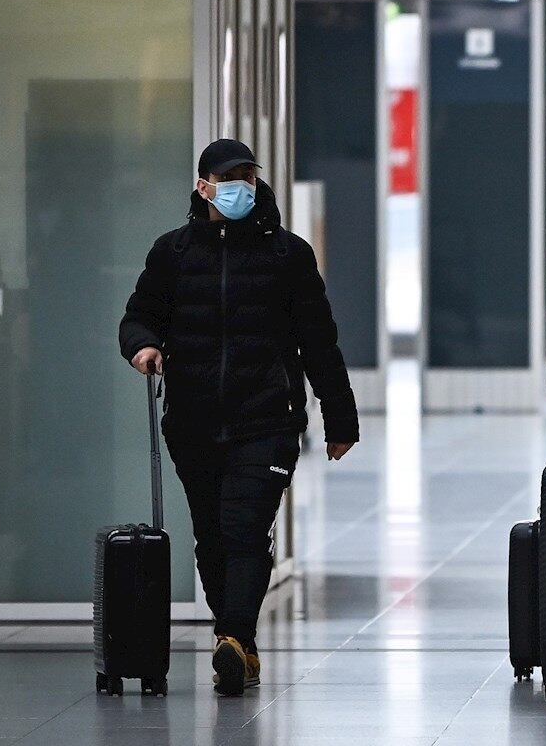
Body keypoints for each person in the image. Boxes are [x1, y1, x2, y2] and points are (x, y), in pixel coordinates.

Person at [119, 138, 358, 696]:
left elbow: (320, 343)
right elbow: (139, 314)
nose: (239, 188)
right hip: (193, 419)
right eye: (228, 179)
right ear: (203, 187)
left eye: (247, 178)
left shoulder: (287, 255)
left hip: (267, 419)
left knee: (244, 529)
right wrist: (142, 345)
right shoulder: (172, 253)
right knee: (211, 536)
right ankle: (242, 647)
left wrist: (340, 419)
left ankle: (231, 634)